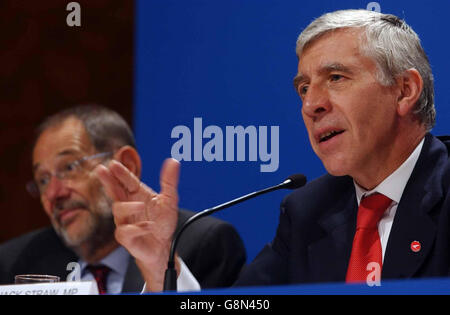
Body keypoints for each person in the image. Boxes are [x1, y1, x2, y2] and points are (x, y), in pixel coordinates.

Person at [95, 9, 450, 291]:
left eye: (336, 78)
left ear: (404, 91)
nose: (311, 104)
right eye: (303, 88)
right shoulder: (308, 211)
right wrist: (162, 265)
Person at [0, 105, 246, 293]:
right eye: (42, 180)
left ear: (126, 165)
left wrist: (159, 264)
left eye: (69, 168)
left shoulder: (201, 245)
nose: (54, 193)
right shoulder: (17, 262)